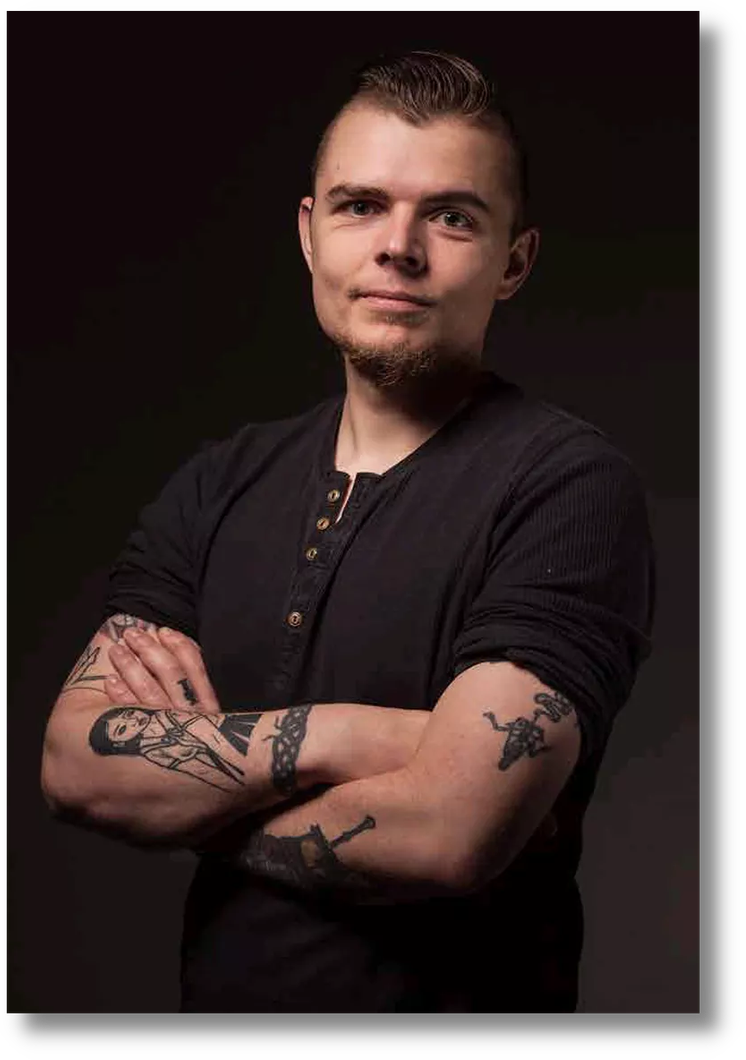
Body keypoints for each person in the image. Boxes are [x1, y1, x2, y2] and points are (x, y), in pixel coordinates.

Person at [40, 50, 656, 1013]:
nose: (398, 247)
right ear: (309, 232)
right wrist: (353, 738)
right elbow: (76, 765)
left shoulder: (566, 486)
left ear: (515, 262)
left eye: (452, 216)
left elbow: (453, 832)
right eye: (361, 204)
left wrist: (194, 805)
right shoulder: (218, 483)